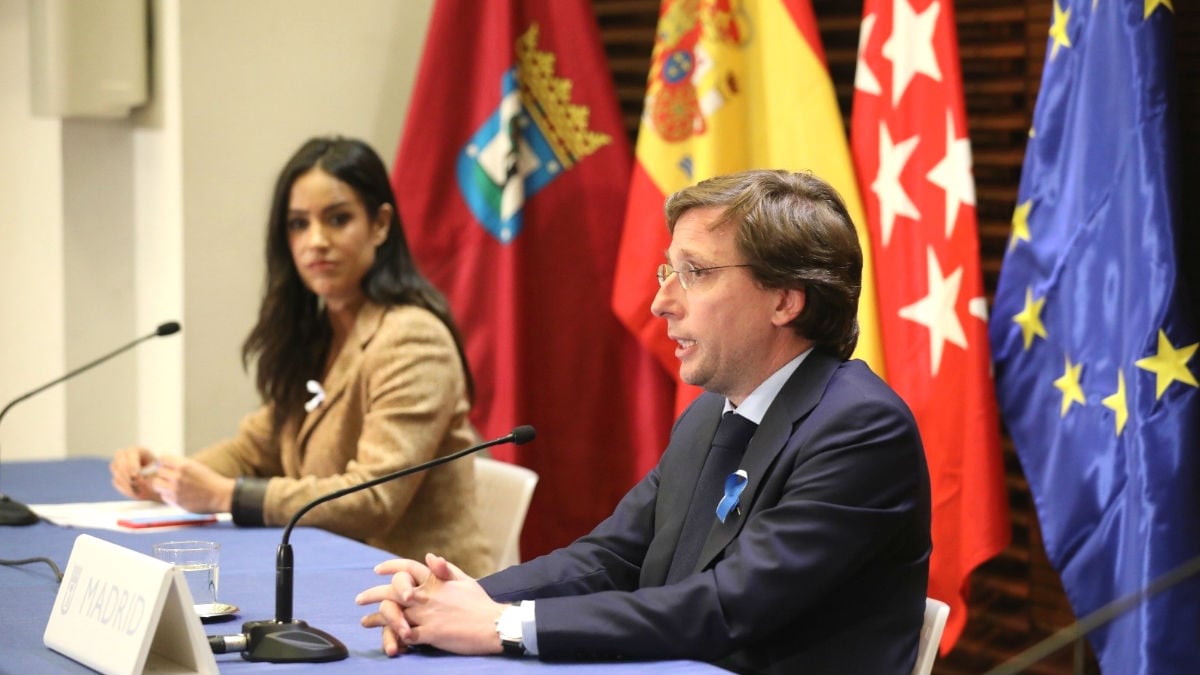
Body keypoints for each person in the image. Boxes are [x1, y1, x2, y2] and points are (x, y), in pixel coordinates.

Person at [355, 169, 931, 673]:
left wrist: (503, 625)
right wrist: (459, 598)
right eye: (668, 270)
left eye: (696, 273)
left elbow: (727, 605)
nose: (661, 302)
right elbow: (612, 557)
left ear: (785, 300)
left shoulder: (861, 430)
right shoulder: (711, 415)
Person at [109, 136, 493, 578]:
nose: (316, 241)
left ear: (380, 225)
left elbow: (373, 500)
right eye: (298, 224)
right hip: (336, 574)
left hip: (426, 595)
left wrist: (225, 496)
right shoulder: (317, 335)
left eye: (338, 219)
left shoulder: (412, 339)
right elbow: (253, 449)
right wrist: (163, 476)